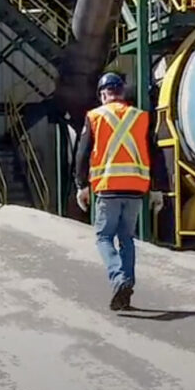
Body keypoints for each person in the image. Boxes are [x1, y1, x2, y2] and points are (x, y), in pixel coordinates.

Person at [74, 72, 168, 311]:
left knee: (104, 237)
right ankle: (125, 290)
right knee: (127, 239)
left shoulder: (94, 116)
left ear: (103, 94)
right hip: (136, 189)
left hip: (108, 189)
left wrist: (81, 185)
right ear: (122, 92)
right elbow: (156, 156)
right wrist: (158, 189)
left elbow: (82, 153)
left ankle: (119, 279)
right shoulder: (141, 117)